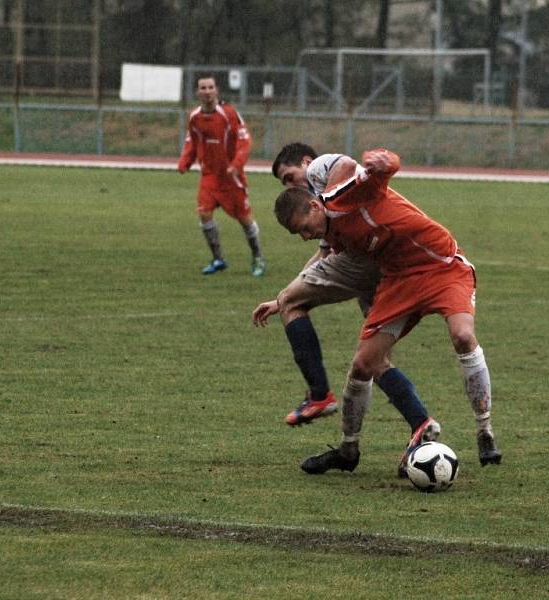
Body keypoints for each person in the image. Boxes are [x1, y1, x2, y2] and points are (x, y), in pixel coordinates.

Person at [273, 148, 502, 473]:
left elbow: (374, 172)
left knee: (463, 335)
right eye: (299, 234)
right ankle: (348, 450)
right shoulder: (332, 235)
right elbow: (324, 262)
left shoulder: (346, 196)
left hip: (440, 265)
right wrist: (286, 296)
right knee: (363, 364)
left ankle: (485, 432)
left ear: (314, 204)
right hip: (399, 281)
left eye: (304, 227)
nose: (306, 236)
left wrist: (382, 159)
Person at [253, 143, 440, 477]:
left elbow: (352, 171)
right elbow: (324, 255)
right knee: (371, 360)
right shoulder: (325, 209)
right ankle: (412, 426)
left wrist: (287, 298)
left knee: (294, 304)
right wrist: (285, 295)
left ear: (307, 164)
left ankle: (320, 395)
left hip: (367, 262)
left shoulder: (325, 177)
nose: (290, 186)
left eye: (289, 177)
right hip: (383, 265)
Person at [178, 74, 266, 277]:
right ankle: (218, 259)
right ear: (197, 92)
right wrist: (185, 161)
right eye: (203, 88)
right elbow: (192, 140)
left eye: (210, 87)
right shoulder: (195, 117)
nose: (207, 91)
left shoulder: (228, 113)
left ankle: (258, 257)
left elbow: (245, 141)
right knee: (204, 214)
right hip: (209, 176)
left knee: (245, 219)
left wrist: (236, 164)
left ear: (216, 90)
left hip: (230, 178)